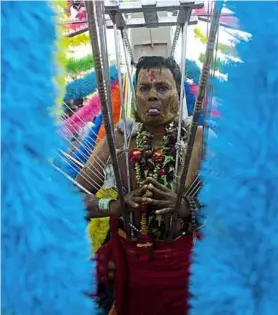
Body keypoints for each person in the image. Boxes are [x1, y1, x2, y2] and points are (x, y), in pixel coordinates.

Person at [77, 56, 203, 315]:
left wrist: (189, 208)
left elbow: (239, 206)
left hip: (187, 266)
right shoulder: (119, 140)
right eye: (144, 88)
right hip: (129, 265)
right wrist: (112, 206)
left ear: (179, 93)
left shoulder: (198, 140)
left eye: (162, 88)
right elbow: (70, 199)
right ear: (134, 95)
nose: (152, 96)